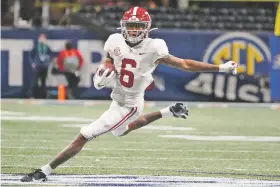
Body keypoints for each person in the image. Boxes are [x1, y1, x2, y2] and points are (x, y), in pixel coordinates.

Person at [20, 6, 238, 182]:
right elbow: (109, 57)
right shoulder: (114, 40)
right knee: (121, 131)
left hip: (130, 103)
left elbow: (184, 64)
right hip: (119, 95)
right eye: (130, 26)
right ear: (124, 26)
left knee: (85, 134)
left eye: (137, 27)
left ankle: (44, 171)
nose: (133, 31)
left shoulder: (155, 47)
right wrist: (105, 68)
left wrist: (220, 68)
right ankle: (169, 111)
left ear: (147, 28)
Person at [28, 34, 53, 98]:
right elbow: (31, 55)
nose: (42, 39)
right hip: (38, 66)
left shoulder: (47, 47)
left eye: (43, 38)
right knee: (35, 81)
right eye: (41, 38)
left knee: (43, 81)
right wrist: (33, 63)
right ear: (39, 39)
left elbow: (50, 56)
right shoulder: (36, 47)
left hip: (44, 66)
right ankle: (32, 95)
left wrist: (48, 62)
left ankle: (43, 96)